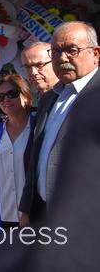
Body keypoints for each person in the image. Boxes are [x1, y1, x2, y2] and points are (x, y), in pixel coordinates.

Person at [20, 21, 100, 226]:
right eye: (56, 51)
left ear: (95, 53)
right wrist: (27, 208)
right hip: (43, 214)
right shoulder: (49, 98)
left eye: (72, 50)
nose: (62, 58)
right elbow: (36, 157)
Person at [0, 74, 35, 229]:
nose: (6, 99)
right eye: (0, 96)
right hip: (2, 212)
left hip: (31, 213)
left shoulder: (38, 127)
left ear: (25, 96)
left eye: (12, 94)